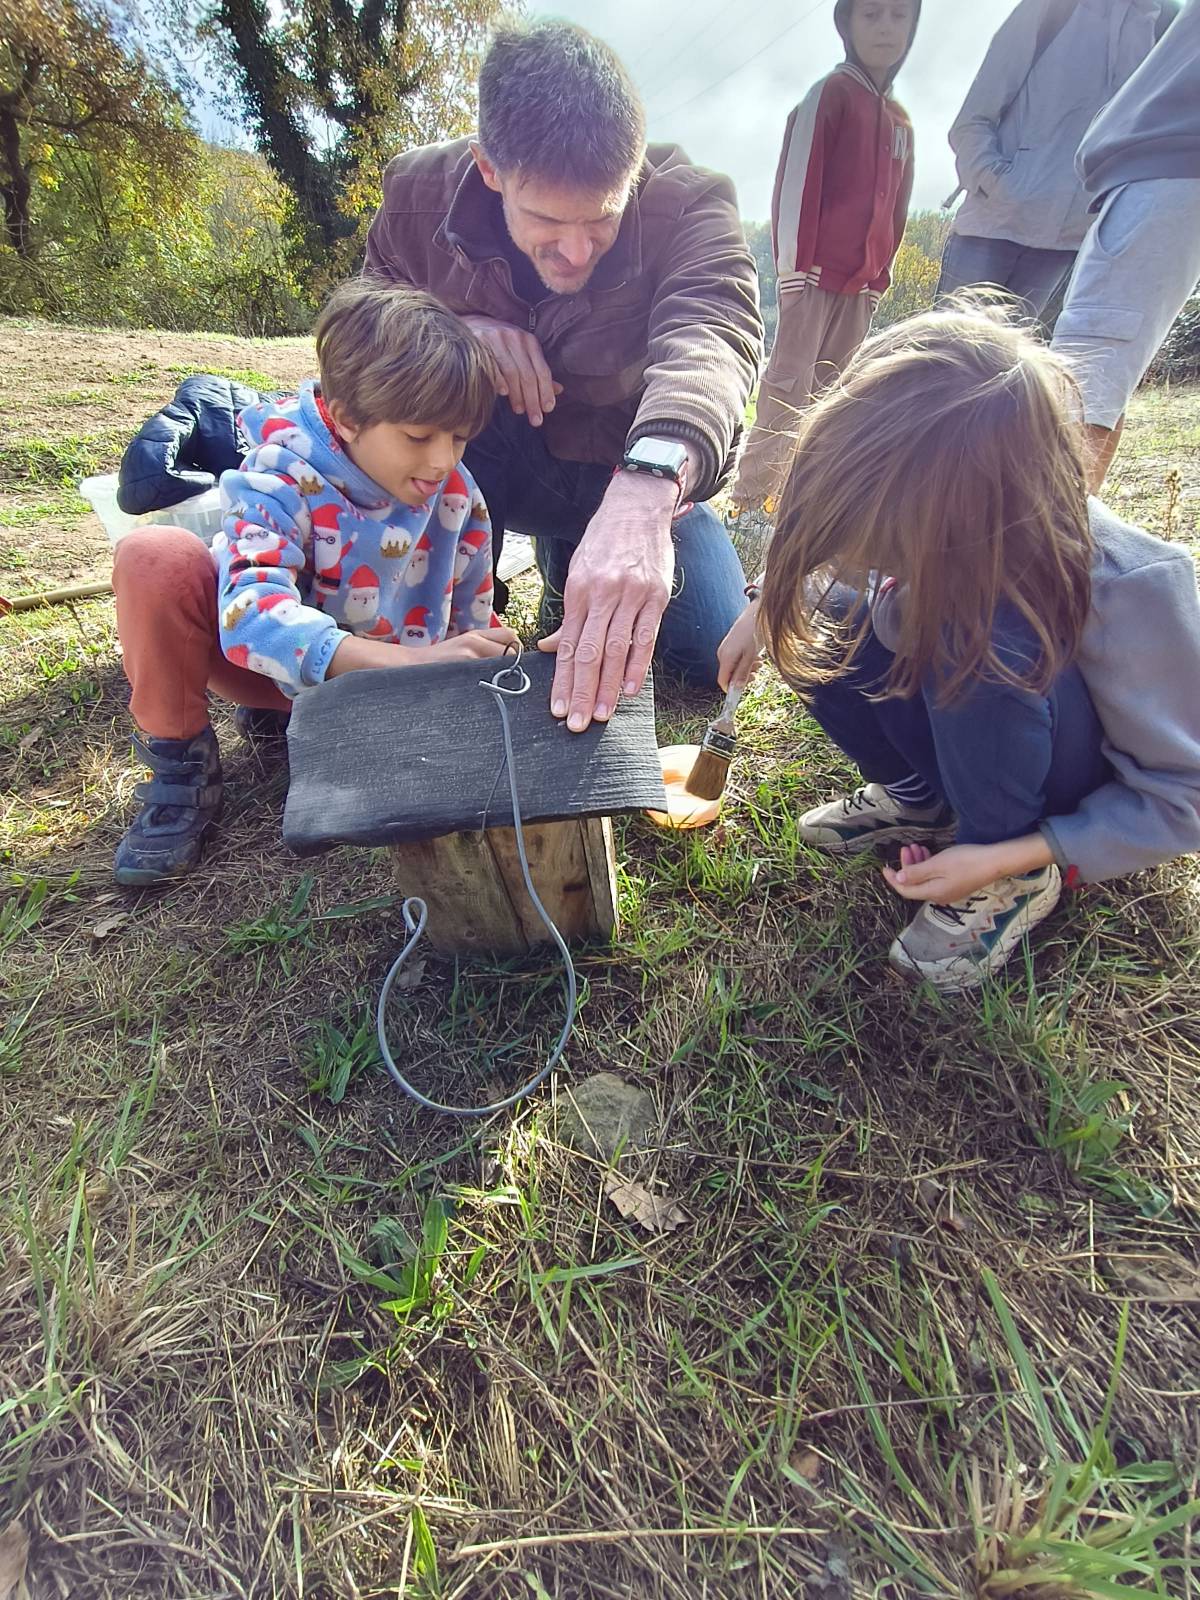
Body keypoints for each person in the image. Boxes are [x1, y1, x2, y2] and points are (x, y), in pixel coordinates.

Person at [717, 297, 1200, 992]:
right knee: (830, 616)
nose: (881, 563)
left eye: (896, 552)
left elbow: (1183, 797)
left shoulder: (1134, 584)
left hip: (1064, 793)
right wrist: (764, 606)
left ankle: (1006, 864)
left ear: (967, 516)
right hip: (984, 723)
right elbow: (842, 557)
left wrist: (1026, 851)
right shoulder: (949, 510)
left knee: (971, 635)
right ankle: (923, 796)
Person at [363, 21, 763, 735]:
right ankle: (473, 585)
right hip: (483, 459)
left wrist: (645, 494)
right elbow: (364, 322)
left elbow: (714, 336)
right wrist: (454, 334)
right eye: (548, 220)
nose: (576, 251)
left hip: (633, 465)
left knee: (707, 645)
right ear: (490, 168)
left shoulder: (693, 201)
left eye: (602, 219)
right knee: (412, 619)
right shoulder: (414, 191)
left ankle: (580, 549)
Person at [109, 279, 518, 885]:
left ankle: (307, 725)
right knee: (154, 556)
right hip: (263, 666)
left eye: (458, 438)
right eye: (418, 436)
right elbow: (249, 615)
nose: (442, 460)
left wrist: (485, 658)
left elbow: (469, 626)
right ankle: (181, 767)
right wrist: (415, 663)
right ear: (348, 417)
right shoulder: (279, 476)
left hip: (382, 694)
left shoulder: (459, 497)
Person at [731, 0, 920, 513]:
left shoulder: (901, 121)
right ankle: (751, 500)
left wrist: (880, 279)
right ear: (848, 24)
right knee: (789, 383)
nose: (885, 28)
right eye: (871, 15)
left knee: (834, 393)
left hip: (861, 287)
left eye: (898, 16)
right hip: (812, 278)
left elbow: (896, 209)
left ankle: (803, 497)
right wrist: (792, 272)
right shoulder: (831, 96)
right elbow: (796, 184)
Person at [937, 0, 1176, 320]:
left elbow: (1151, 141)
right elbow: (973, 119)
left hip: (1064, 243)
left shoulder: (1166, 24)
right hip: (992, 224)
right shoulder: (1053, 6)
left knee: (1008, 367)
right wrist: (1000, 184)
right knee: (943, 360)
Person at [1052, 0, 1200, 489]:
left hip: (1169, 161)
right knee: (1088, 388)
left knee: (1080, 388)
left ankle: (1034, 555)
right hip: (1171, 163)